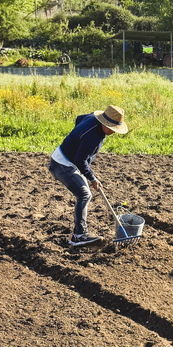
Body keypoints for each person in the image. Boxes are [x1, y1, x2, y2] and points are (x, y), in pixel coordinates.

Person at [49, 105, 129, 246]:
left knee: (86, 193)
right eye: (112, 128)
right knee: (84, 194)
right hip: (62, 164)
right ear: (105, 123)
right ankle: (79, 236)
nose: (113, 132)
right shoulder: (94, 137)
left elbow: (78, 119)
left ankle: (80, 234)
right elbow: (80, 160)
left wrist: (77, 140)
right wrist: (92, 178)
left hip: (67, 161)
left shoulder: (92, 117)